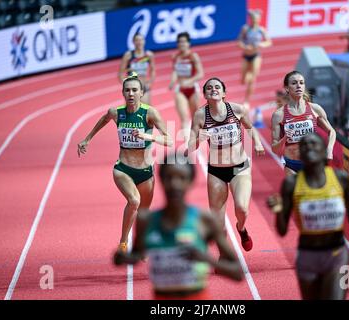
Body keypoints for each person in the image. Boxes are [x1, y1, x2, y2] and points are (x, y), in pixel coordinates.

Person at [113, 153, 244, 300]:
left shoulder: (205, 220)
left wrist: (206, 259)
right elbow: (136, 255)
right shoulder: (146, 220)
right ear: (161, 180)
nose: (175, 184)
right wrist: (122, 258)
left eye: (182, 178)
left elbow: (238, 272)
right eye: (169, 178)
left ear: (190, 182)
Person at [77, 74, 172, 253]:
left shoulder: (150, 113)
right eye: (127, 90)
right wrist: (87, 139)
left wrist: (148, 136)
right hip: (123, 169)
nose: (131, 93)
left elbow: (170, 140)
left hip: (145, 171)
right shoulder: (116, 112)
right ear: (122, 92)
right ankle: (123, 242)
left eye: (135, 90)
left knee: (143, 212)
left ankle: (140, 242)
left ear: (141, 93)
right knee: (134, 201)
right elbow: (104, 119)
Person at [267, 133, 349, 300]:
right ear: (300, 154)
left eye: (314, 144)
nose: (309, 147)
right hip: (307, 256)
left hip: (338, 254)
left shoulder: (341, 179)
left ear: (324, 152)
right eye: (305, 145)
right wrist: (278, 211)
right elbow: (282, 230)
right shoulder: (291, 184)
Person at [187, 77, 265, 255]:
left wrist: (258, 143)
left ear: (224, 93)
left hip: (240, 167)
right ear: (205, 94)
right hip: (216, 171)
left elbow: (250, 127)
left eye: (217, 87)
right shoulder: (200, 115)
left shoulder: (237, 109)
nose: (213, 89)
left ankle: (242, 229)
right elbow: (190, 146)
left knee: (242, 209)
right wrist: (200, 138)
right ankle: (223, 254)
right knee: (218, 221)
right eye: (209, 88)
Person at [271, 70, 336, 176]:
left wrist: (329, 150)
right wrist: (284, 139)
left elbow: (331, 131)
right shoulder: (279, 115)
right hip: (292, 164)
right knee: (297, 192)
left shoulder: (315, 109)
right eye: (294, 83)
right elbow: (274, 148)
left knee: (314, 192)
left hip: (313, 161)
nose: (298, 86)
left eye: (301, 83)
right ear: (287, 88)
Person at [169, 32, 204, 135]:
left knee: (196, 118)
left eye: (184, 42)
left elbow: (200, 73)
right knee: (184, 119)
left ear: (188, 43)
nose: (182, 44)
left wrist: (190, 80)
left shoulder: (193, 56)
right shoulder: (175, 57)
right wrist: (172, 81)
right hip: (180, 90)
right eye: (180, 42)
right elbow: (175, 71)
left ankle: (197, 146)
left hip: (193, 89)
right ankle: (187, 147)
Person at [237, 10, 272, 108]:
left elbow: (269, 42)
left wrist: (261, 44)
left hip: (256, 56)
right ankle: (246, 77)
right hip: (246, 56)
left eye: (256, 19)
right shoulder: (245, 29)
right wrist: (244, 47)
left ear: (259, 19)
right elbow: (238, 42)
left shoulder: (261, 30)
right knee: (243, 80)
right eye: (252, 19)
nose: (254, 21)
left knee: (252, 79)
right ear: (250, 19)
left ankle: (246, 101)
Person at [118, 33, 156, 105]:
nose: (139, 42)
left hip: (143, 87)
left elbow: (153, 70)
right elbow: (120, 73)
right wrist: (125, 85)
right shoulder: (128, 55)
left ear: (144, 41)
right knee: (131, 113)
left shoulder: (148, 55)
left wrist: (150, 83)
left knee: (146, 112)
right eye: (137, 40)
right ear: (133, 42)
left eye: (141, 40)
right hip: (132, 88)